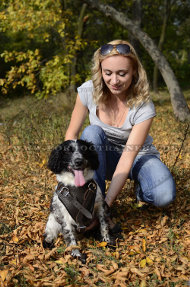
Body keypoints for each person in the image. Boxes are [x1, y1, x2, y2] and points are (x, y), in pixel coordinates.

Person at [65, 39, 176, 231]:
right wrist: (75, 178)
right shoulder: (87, 91)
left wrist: (106, 206)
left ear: (134, 72)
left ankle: (138, 190)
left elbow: (127, 158)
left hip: (137, 157)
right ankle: (91, 201)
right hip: (102, 157)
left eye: (122, 74)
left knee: (164, 195)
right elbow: (71, 135)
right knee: (91, 132)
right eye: (108, 73)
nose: (114, 81)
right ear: (100, 71)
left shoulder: (144, 105)